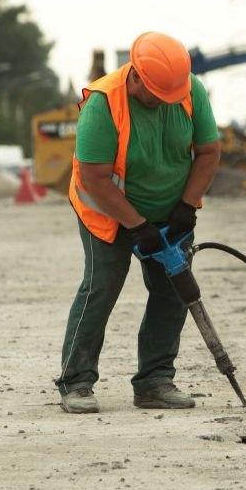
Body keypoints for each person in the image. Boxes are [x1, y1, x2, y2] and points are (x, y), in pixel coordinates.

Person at [55, 31, 221, 413]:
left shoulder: (188, 90)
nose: (165, 102)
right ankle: (75, 381)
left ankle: (155, 381)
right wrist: (137, 225)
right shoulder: (103, 103)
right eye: (156, 96)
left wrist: (187, 204)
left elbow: (208, 151)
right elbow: (93, 178)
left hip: (171, 213)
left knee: (172, 291)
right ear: (136, 78)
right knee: (101, 286)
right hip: (108, 213)